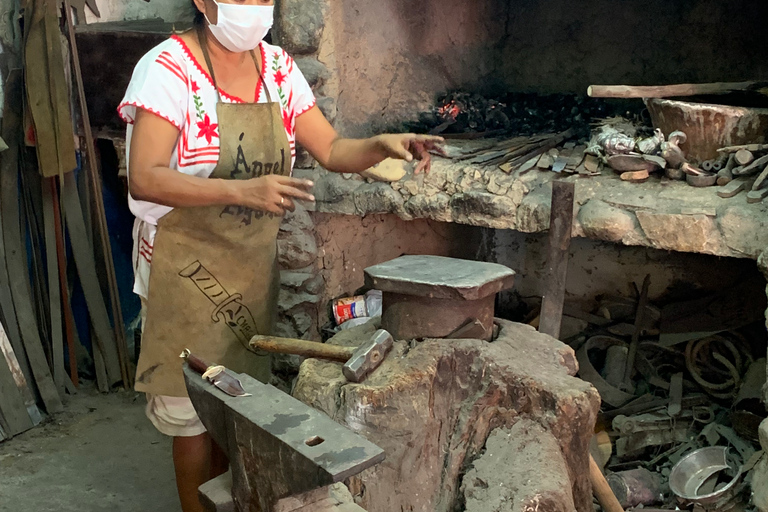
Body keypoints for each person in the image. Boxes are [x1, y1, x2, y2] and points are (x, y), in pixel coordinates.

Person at [118, 0, 442, 510]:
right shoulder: (166, 68)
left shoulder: (277, 69)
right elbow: (145, 176)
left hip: (247, 267)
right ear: (204, 2)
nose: (254, 9)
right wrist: (244, 191)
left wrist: (381, 143)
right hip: (183, 266)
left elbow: (332, 149)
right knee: (191, 414)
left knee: (234, 404)